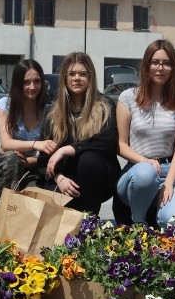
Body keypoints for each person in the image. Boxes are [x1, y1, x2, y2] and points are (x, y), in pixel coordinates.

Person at [116, 40, 175, 228]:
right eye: (155, 62)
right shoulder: (128, 97)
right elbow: (121, 145)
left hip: (169, 171)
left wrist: (170, 183)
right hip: (137, 172)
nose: (160, 68)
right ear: (146, 65)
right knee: (146, 173)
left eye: (167, 63)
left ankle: (157, 213)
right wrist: (144, 161)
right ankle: (139, 223)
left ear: (173, 68)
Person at [42, 52, 120, 215]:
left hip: (98, 176)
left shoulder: (105, 105)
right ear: (64, 78)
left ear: (90, 78)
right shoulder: (52, 111)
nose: (77, 78)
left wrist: (67, 149)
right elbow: (45, 157)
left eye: (82, 74)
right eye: (71, 73)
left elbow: (108, 141)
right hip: (66, 179)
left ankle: (90, 220)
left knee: (88, 160)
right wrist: (59, 178)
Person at [0, 59, 57, 200]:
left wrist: (30, 160)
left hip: (32, 167)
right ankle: (6, 213)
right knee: (12, 158)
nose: (32, 86)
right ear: (18, 83)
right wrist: (36, 144)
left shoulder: (49, 110)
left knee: (35, 197)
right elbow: (6, 144)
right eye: (26, 82)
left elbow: (51, 151)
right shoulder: (5, 104)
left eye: (36, 81)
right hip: (4, 167)